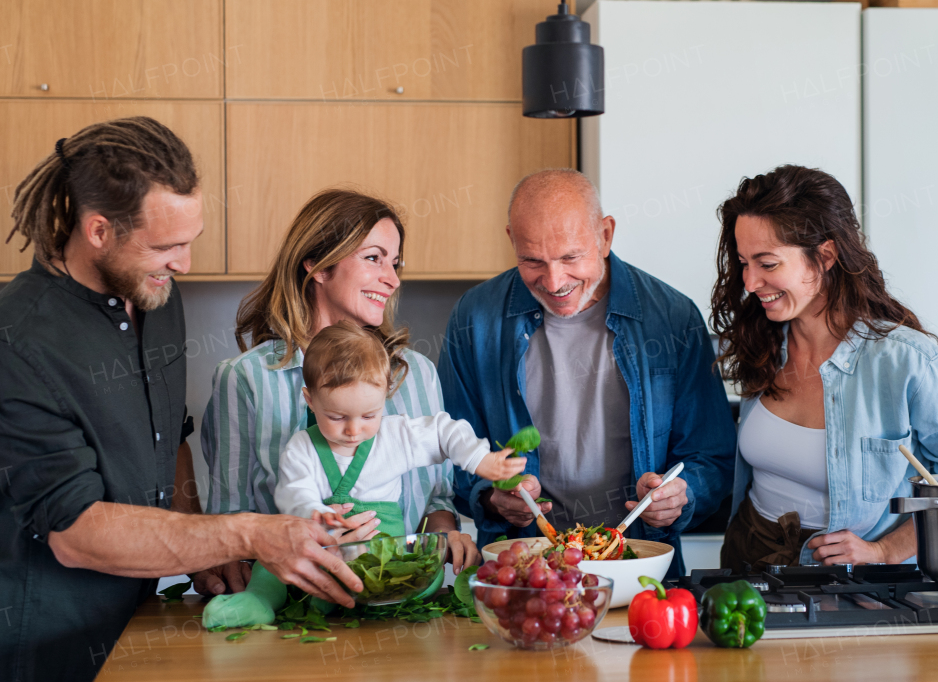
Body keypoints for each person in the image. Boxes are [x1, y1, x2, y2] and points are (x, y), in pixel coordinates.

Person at [0, 118, 364, 682]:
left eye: (190, 241)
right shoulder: (10, 346)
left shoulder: (156, 295)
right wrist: (242, 533)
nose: (184, 264)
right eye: (166, 246)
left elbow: (171, 436)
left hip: (135, 632)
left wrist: (202, 549)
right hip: (39, 653)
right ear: (98, 232)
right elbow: (77, 532)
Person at [438, 169, 735, 578]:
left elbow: (712, 456)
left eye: (570, 257)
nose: (555, 281)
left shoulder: (673, 319)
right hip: (521, 569)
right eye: (532, 261)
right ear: (511, 240)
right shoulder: (474, 319)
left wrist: (684, 495)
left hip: (638, 567)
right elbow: (448, 450)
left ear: (606, 235)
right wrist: (489, 496)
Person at [710, 165, 938, 572]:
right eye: (744, 263)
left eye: (768, 264)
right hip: (748, 558)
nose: (750, 281)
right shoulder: (763, 343)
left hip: (851, 582)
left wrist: (885, 551)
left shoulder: (909, 362)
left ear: (825, 257)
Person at [201, 189, 481, 582]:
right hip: (292, 604)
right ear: (317, 265)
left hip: (396, 597)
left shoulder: (415, 374)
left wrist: (445, 533)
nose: (392, 279)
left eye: (396, 263)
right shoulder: (247, 379)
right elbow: (230, 516)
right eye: (374, 258)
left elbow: (436, 498)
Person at [202, 322, 525, 627]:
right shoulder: (302, 447)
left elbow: (443, 433)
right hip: (321, 552)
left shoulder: (395, 435)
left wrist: (481, 459)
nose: (354, 430)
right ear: (310, 400)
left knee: (426, 572)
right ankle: (258, 602)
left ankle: (376, 597)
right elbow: (293, 492)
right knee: (268, 569)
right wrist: (319, 517)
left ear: (384, 396)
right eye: (337, 416)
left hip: (384, 556)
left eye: (369, 415)